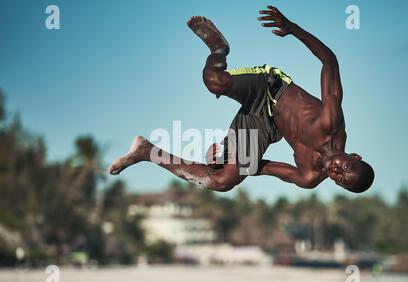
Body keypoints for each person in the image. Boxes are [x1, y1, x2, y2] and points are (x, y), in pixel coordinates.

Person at [108, 6, 374, 193]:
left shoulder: (309, 176)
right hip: (270, 88)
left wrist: (227, 157)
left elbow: (260, 168)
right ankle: (218, 48)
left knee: (223, 181)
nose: (336, 172)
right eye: (345, 167)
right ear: (354, 155)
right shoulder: (331, 122)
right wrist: (293, 29)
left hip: (264, 124)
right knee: (214, 80)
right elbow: (330, 60)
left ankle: (145, 151)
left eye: (340, 180)